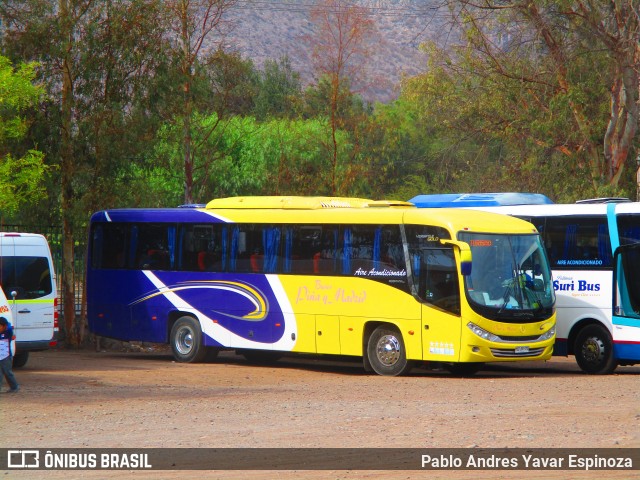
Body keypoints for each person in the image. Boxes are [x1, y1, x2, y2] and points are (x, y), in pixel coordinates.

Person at [0, 316, 19, 393]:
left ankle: (14, 387)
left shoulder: (8, 332)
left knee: (7, 372)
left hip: (6, 356)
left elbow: (10, 327)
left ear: (4, 326)